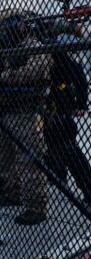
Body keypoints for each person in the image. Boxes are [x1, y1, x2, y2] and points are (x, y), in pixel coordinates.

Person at [0, 10, 53, 225]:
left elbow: (35, 71)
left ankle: (36, 206)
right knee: (5, 159)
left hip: (26, 111)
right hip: (3, 110)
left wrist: (4, 77)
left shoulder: (35, 47)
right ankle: (12, 193)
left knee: (29, 161)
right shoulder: (4, 50)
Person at [44, 43, 91, 205]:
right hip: (54, 104)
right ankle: (58, 174)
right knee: (52, 144)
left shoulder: (54, 50)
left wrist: (81, 103)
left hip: (58, 104)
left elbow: (79, 77)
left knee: (65, 145)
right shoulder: (53, 49)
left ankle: (86, 186)